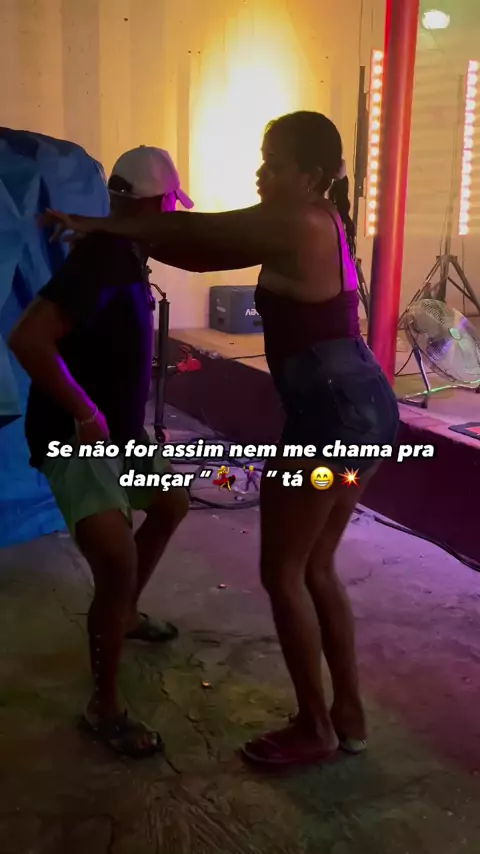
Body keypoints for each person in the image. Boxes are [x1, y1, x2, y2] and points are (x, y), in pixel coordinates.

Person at [38, 112, 400, 769]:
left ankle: (315, 727)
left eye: (274, 163)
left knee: (283, 572)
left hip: (328, 423)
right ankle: (347, 715)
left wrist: (102, 223)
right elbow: (200, 247)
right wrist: (120, 230)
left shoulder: (296, 220)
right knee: (316, 566)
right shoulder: (320, 218)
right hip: (367, 414)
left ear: (312, 176)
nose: (262, 173)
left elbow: (195, 233)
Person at [8, 146, 194, 759]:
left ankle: (127, 614)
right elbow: (27, 339)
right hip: (77, 436)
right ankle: (105, 708)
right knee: (115, 561)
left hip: (121, 433)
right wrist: (86, 412)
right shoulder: (104, 260)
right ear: (157, 203)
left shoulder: (124, 251)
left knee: (168, 505)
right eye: (170, 206)